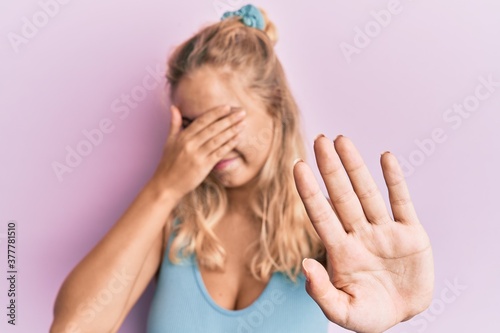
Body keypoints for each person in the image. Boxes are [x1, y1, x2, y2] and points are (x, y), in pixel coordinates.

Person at [50, 4, 434, 333]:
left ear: (275, 107)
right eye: (190, 125)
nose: (207, 142)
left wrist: (398, 305)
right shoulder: (173, 221)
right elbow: (74, 327)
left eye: (223, 120)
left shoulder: (328, 233)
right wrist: (164, 187)